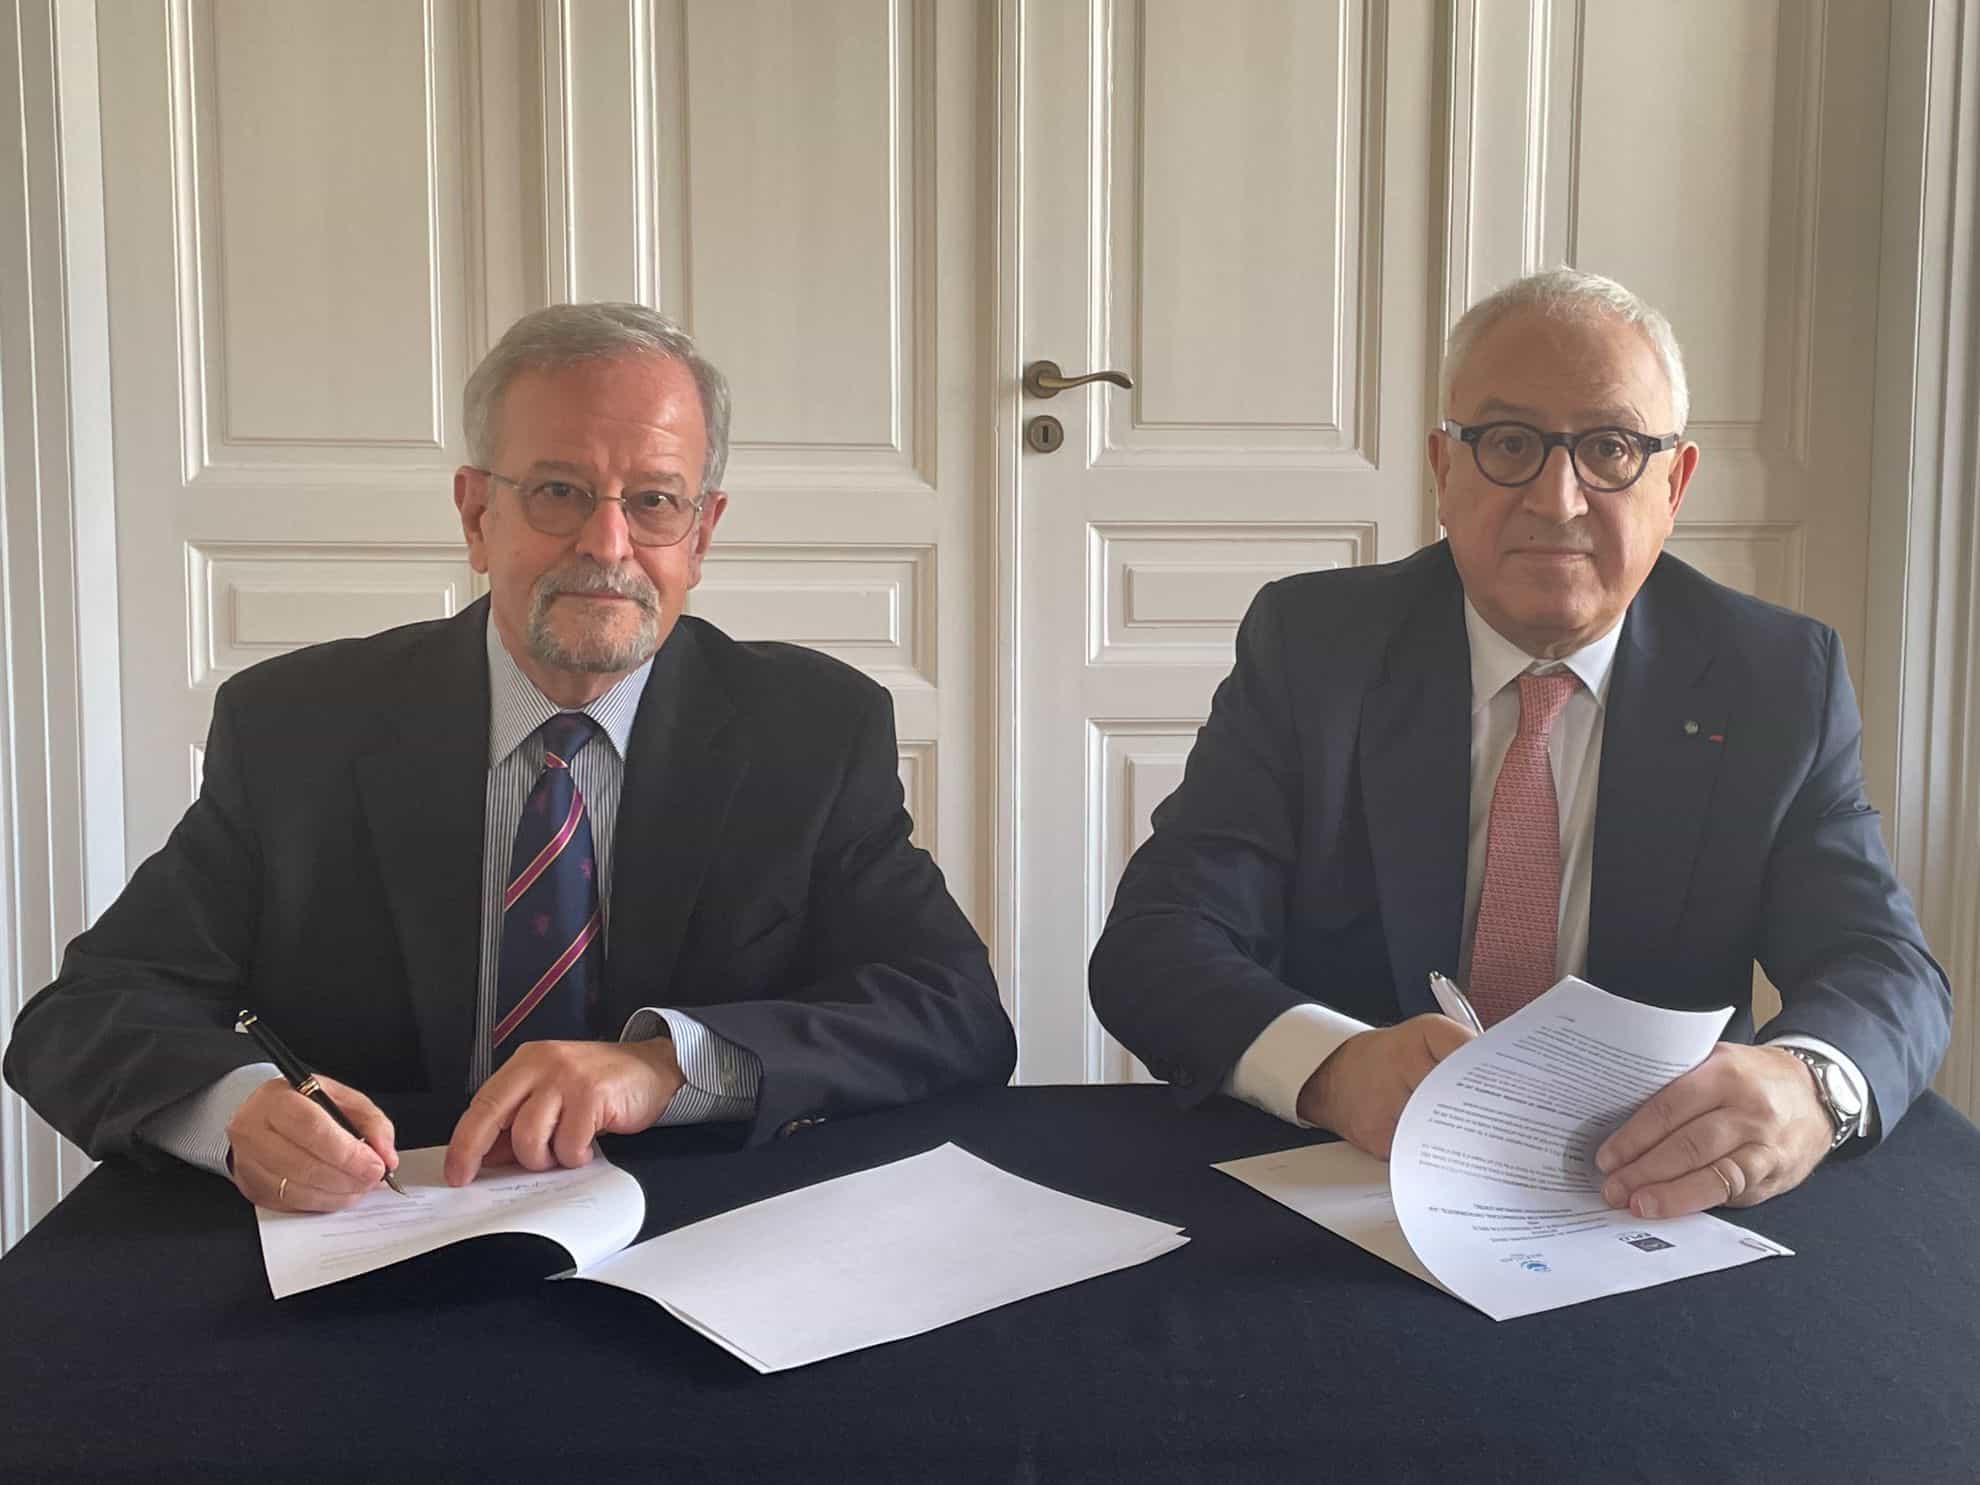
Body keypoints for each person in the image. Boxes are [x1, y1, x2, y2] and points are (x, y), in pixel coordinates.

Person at [4, 303, 1014, 1212]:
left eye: (654, 501)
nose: (608, 544)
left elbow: (953, 1013)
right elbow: (83, 1017)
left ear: (702, 533)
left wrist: (666, 1068)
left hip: (702, 1229)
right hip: (377, 1228)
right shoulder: (298, 729)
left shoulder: (810, 730)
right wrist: (237, 1109)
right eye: (560, 491)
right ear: (476, 514)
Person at [1090, 268, 1949, 1222]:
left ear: (1674, 482)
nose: (1559, 498)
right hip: (1349, 1187)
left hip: (1644, 1201)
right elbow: (1156, 942)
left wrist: (1811, 1085)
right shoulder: (1315, 648)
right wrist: (1332, 1067)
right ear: (1443, 469)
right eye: (1508, 443)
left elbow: (1882, 967)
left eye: (1611, 447)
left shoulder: (1775, 679)